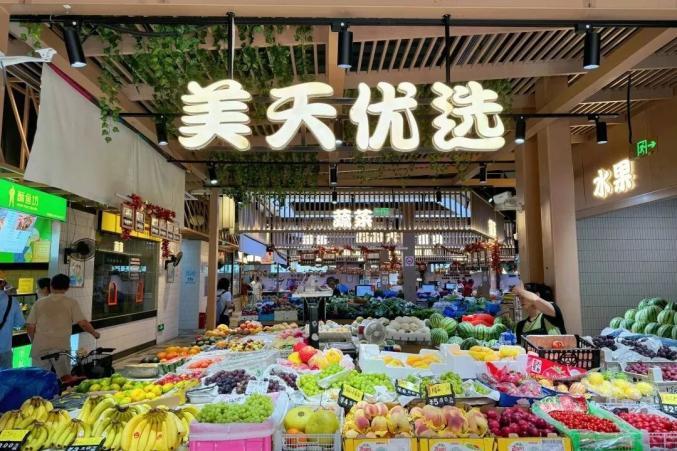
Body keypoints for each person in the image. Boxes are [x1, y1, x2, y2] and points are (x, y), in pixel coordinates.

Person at [26, 274, 100, 377]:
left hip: (40, 347)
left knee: (40, 377)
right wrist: (94, 333)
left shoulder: (39, 303)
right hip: (60, 348)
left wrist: (34, 341)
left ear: (51, 286)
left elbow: (30, 326)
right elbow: (83, 323)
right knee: (64, 377)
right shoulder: (71, 303)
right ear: (67, 288)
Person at [0, 280, 25, 369]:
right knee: (7, 375)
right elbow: (20, 323)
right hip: (5, 347)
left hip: (5, 347)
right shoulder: (12, 301)